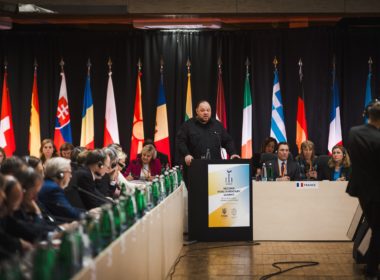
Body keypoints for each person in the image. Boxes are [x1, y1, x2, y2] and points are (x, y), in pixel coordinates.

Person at [346, 99, 380, 279]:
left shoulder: (354, 132)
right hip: (377, 190)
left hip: (361, 189)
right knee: (378, 230)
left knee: (375, 227)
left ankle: (371, 267)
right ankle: (372, 270)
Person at [176, 100, 240, 166]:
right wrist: (186, 154)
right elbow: (180, 141)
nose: (206, 112)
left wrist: (233, 153)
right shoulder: (188, 125)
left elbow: (227, 141)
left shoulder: (217, 125)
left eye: (208, 110)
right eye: (202, 110)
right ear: (197, 111)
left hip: (215, 166)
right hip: (195, 165)